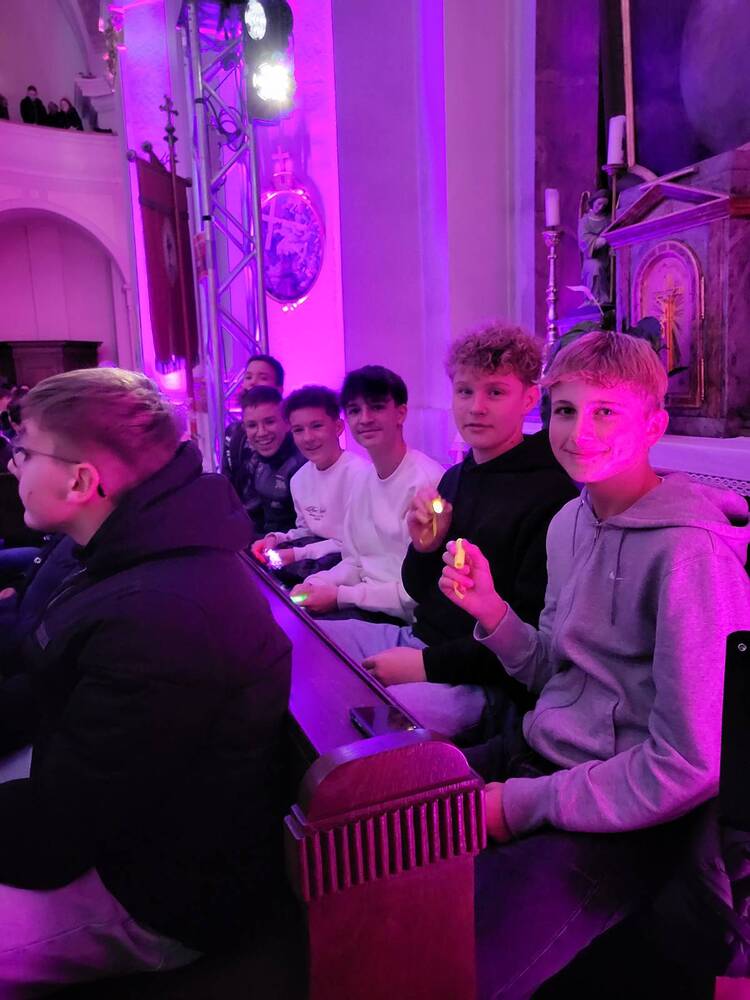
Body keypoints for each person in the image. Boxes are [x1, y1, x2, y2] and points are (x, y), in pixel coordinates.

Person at [436, 331, 750, 998]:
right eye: (566, 410)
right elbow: (556, 671)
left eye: (606, 411)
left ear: (653, 426)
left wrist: (521, 805)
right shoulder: (568, 523)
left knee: (459, 964)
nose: (580, 433)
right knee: (393, 820)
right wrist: (493, 611)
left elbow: (690, 762)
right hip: (540, 757)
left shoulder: (690, 555)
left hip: (629, 816)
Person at [0, 368, 292, 993]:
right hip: (97, 812)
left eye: (23, 451)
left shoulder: (163, 616)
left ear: (81, 481)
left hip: (155, 895)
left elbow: (61, 827)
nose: (11, 465)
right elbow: (49, 676)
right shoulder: (121, 544)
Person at [322, 324, 578, 737]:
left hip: (484, 681)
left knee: (367, 723)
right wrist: (423, 547)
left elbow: (530, 641)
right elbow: (419, 590)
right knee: (306, 646)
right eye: (464, 391)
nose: (476, 407)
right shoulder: (456, 477)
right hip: (419, 641)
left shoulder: (552, 493)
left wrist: (425, 666)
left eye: (495, 392)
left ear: (529, 400)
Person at [291, 366, 444, 622]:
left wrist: (341, 597)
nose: (364, 419)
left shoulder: (427, 483)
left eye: (376, 407)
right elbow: (355, 561)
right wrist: (316, 583)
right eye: (354, 410)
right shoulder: (363, 479)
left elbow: (416, 593)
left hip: (405, 621)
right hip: (363, 605)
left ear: (400, 413)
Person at [251, 385, 365, 582]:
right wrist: (276, 538)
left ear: (338, 427)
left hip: (353, 572)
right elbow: (308, 531)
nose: (308, 438)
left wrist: (298, 554)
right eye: (298, 430)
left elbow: (357, 544)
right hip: (316, 568)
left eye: (317, 426)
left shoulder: (360, 475)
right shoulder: (299, 479)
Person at [239, 384, 306, 537]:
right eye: (252, 425)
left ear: (287, 423)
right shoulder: (254, 461)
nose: (261, 432)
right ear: (244, 428)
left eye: (269, 422)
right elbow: (252, 514)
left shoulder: (305, 464)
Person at [222, 352, 285, 489]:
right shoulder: (233, 432)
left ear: (279, 389)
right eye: (248, 377)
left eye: (263, 378)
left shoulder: (292, 431)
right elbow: (228, 480)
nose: (253, 382)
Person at [578, 188, 611, 305]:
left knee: (602, 267)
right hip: (590, 258)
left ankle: (603, 299)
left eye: (604, 205)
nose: (601, 207)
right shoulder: (585, 220)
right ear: (593, 201)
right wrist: (597, 241)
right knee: (595, 267)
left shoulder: (607, 220)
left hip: (605, 258)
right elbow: (583, 240)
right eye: (599, 203)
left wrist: (608, 239)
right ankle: (594, 299)